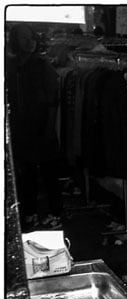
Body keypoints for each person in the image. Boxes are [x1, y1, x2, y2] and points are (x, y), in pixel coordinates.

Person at [6, 23, 63, 231]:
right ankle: (29, 214)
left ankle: (56, 213)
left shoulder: (42, 65)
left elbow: (53, 98)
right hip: (21, 127)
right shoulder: (13, 66)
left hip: (42, 125)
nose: (28, 41)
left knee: (49, 172)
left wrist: (49, 128)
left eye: (30, 37)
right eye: (22, 37)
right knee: (26, 173)